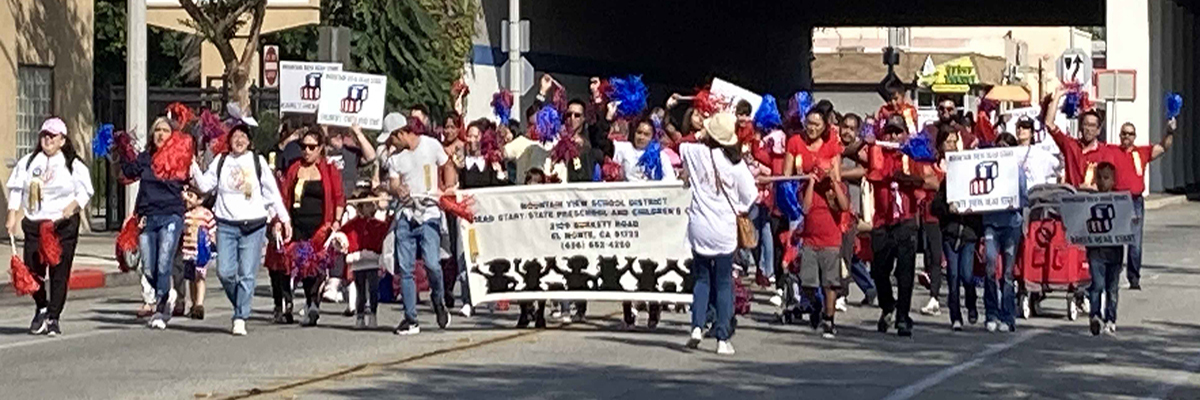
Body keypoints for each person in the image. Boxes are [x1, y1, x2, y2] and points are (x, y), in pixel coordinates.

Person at [192, 122, 291, 336]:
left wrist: (283, 219)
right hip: (226, 225)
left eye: (243, 137)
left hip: (253, 225)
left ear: (249, 141)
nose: (239, 140)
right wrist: (190, 162)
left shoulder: (258, 161)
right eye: (235, 136)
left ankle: (240, 316)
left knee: (247, 274)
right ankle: (241, 302)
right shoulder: (221, 161)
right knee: (225, 272)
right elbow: (204, 185)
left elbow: (273, 193)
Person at [6, 117, 93, 336]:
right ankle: (41, 306)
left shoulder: (72, 164)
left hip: (61, 226)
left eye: (53, 136)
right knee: (32, 269)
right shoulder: (28, 162)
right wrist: (12, 215)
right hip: (35, 224)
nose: (47, 139)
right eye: (45, 135)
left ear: (62, 140)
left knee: (59, 272)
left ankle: (54, 317)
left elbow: (85, 192)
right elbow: (17, 189)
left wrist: (73, 207)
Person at [680, 112, 757, 355]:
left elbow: (680, 143)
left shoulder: (694, 153)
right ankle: (722, 338)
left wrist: (701, 134)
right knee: (724, 283)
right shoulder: (735, 163)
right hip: (724, 228)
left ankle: (696, 325)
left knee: (701, 279)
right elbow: (750, 196)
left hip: (699, 225)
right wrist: (740, 209)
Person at [386, 118, 457, 335]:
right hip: (406, 214)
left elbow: (447, 165)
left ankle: (438, 298)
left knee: (432, 263)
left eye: (392, 137)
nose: (390, 143)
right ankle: (410, 318)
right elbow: (393, 182)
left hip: (429, 212)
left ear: (401, 133)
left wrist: (449, 187)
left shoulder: (431, 145)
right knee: (406, 269)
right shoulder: (394, 158)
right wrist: (398, 191)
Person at [121, 117, 190, 330]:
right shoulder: (147, 157)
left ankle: (161, 308)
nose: (160, 134)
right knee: (148, 268)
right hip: (148, 217)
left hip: (171, 215)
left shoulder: (181, 156)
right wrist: (121, 149)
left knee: (163, 262)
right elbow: (129, 172)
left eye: (165, 131)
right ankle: (165, 293)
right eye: (157, 130)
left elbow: (196, 181)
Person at [783, 109, 847, 338]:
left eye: (817, 125)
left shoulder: (831, 145)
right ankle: (815, 305)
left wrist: (828, 178)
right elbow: (787, 175)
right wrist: (807, 180)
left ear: (824, 127)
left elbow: (838, 180)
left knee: (830, 279)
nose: (811, 128)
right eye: (809, 123)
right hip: (804, 209)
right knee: (807, 280)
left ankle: (829, 318)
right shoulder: (795, 141)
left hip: (829, 213)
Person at [612, 118, 678, 329]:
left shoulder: (660, 156)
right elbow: (602, 144)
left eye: (646, 134)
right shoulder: (624, 150)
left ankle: (654, 306)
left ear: (653, 136)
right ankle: (627, 310)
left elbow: (670, 185)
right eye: (639, 132)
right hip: (627, 216)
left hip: (652, 218)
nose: (641, 137)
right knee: (626, 261)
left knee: (651, 263)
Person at [280, 128, 346, 326]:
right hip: (297, 224)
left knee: (314, 267)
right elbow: (284, 196)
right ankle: (292, 303)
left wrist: (336, 222)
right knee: (297, 264)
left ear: (321, 148)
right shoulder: (294, 169)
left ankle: (313, 304)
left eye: (311, 147)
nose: (306, 151)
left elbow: (338, 197)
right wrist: (281, 220)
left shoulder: (328, 169)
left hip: (320, 226)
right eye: (303, 147)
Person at [866, 115, 923, 337]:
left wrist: (905, 178)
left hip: (906, 219)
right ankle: (888, 305)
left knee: (905, 272)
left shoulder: (912, 155)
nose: (893, 137)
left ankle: (902, 316)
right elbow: (853, 152)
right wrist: (867, 139)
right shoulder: (876, 152)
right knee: (879, 270)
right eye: (889, 132)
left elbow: (925, 180)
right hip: (882, 220)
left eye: (897, 132)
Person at [1113, 119, 1176, 289]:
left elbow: (1163, 147)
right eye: (1124, 133)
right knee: (1115, 241)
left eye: (1130, 133)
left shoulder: (1141, 152)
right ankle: (1113, 276)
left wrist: (1169, 132)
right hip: (1116, 200)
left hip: (1134, 201)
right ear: (1120, 135)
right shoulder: (1112, 151)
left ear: (1135, 136)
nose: (1127, 136)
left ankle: (1134, 278)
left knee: (1135, 242)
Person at [929, 127, 982, 331]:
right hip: (950, 233)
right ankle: (955, 316)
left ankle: (971, 304)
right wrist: (948, 209)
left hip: (968, 234)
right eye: (948, 142)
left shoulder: (972, 176)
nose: (951, 146)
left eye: (954, 142)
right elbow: (936, 206)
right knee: (952, 276)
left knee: (967, 276)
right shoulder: (948, 180)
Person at [981, 133, 1023, 333]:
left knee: (1007, 272)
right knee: (989, 266)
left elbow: (1024, 197)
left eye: (1006, 146)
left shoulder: (1017, 170)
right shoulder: (985, 166)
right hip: (990, 223)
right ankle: (991, 313)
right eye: (999, 146)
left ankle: (1008, 315)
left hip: (1011, 224)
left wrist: (1014, 201)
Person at [836, 113, 876, 306]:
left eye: (852, 128)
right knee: (846, 251)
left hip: (851, 207)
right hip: (833, 205)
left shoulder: (860, 150)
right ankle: (869, 287)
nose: (847, 132)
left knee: (845, 251)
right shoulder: (835, 146)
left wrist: (838, 174)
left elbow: (864, 170)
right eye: (845, 127)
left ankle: (841, 293)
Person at [1045, 90, 1120, 189]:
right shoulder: (1071, 146)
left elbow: (1109, 181)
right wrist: (1058, 96)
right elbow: (1049, 123)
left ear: (1098, 130)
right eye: (1086, 124)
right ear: (1080, 127)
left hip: (1096, 199)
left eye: (1093, 126)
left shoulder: (1105, 152)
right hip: (1073, 198)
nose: (1089, 129)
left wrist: (1095, 187)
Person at [1087, 162, 1124, 336]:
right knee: (1097, 285)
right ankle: (1095, 316)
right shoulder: (1088, 200)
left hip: (1115, 251)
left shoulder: (1120, 201)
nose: (1103, 182)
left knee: (1112, 288)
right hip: (1095, 250)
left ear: (1114, 180)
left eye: (1106, 178)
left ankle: (1111, 318)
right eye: (1099, 178)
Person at [179, 186, 215, 320]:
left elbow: (212, 230)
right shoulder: (186, 215)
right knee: (191, 279)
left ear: (200, 200)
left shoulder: (206, 215)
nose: (186, 198)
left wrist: (212, 242)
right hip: (187, 251)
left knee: (200, 277)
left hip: (201, 252)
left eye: (190, 196)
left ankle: (199, 304)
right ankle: (194, 304)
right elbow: (182, 231)